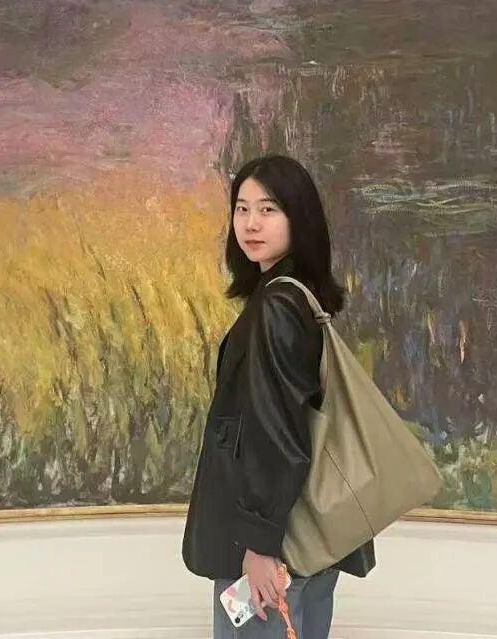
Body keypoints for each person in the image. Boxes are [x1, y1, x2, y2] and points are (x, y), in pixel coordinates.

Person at [182, 155, 375, 639]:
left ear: (298, 217)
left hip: (272, 544)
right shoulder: (297, 297)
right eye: (242, 208)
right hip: (309, 533)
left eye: (268, 209)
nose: (251, 223)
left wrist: (259, 546)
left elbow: (276, 433)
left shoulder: (277, 307)